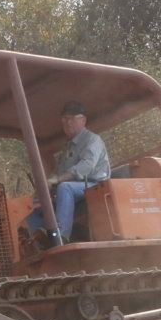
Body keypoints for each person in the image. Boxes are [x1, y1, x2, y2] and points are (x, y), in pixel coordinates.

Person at [26, 100, 111, 244]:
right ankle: (39, 242)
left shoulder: (93, 140)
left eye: (71, 119)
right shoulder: (68, 146)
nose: (67, 123)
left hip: (95, 184)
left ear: (83, 120)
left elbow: (86, 167)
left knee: (65, 188)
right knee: (32, 204)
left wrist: (57, 180)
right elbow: (59, 170)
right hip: (77, 187)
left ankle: (61, 235)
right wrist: (46, 184)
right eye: (64, 119)